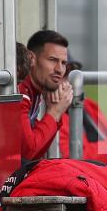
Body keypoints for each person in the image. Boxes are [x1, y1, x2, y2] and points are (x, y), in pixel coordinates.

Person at [19, 30, 73, 160]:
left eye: (63, 63)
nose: (59, 70)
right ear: (32, 59)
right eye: (52, 60)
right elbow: (29, 153)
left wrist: (55, 114)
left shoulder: (36, 92)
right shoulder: (20, 92)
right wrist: (55, 112)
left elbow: (37, 152)